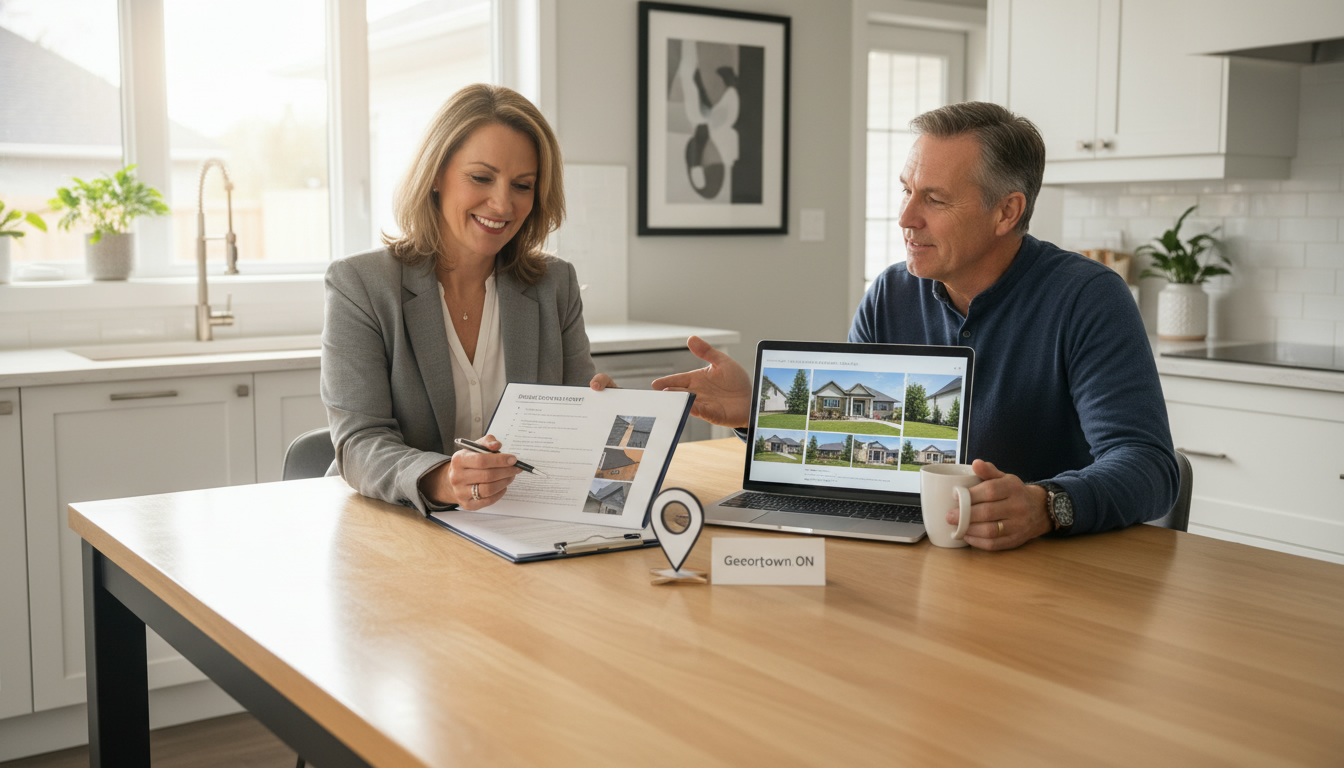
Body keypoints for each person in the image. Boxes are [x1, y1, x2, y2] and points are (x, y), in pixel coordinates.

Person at [653, 102, 1178, 551]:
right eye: (907, 190)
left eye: (935, 198)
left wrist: (1048, 505)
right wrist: (760, 412)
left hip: (1048, 581)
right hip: (916, 564)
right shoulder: (891, 293)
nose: (905, 217)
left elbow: (1150, 466)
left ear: (1007, 212)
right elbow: (860, 446)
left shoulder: (1088, 298)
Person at [322, 84, 614, 514]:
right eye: (481, 177)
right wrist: (442, 479)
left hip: (516, 523)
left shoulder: (555, 284)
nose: (502, 203)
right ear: (437, 175)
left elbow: (575, 427)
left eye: (523, 185)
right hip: (395, 523)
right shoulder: (360, 284)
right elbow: (359, 442)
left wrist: (604, 416)